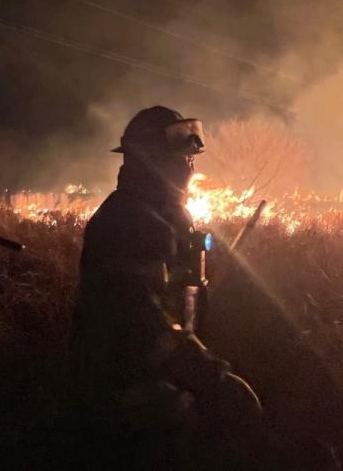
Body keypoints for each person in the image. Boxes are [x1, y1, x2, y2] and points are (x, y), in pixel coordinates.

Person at [69, 106, 261, 470]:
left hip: (164, 380)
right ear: (148, 160)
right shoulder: (130, 219)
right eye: (181, 158)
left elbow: (175, 291)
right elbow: (138, 316)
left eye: (191, 158)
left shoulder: (166, 215)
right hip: (130, 393)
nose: (190, 167)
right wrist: (209, 375)